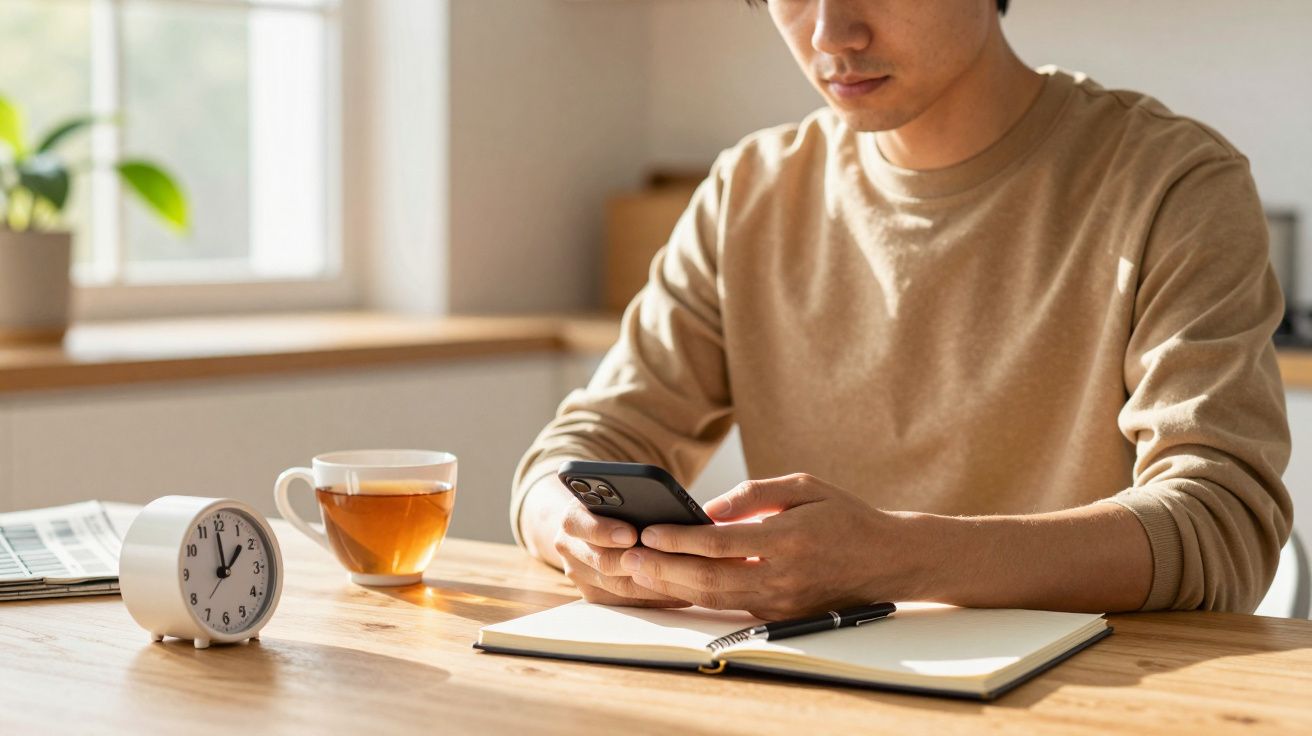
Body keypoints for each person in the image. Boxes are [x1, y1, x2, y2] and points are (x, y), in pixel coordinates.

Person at [510, 0, 1292, 619]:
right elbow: (577, 451)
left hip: (1085, 701)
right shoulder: (749, 191)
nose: (830, 33)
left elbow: (1223, 524)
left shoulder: (1173, 185)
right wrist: (576, 532)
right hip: (809, 691)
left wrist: (894, 556)